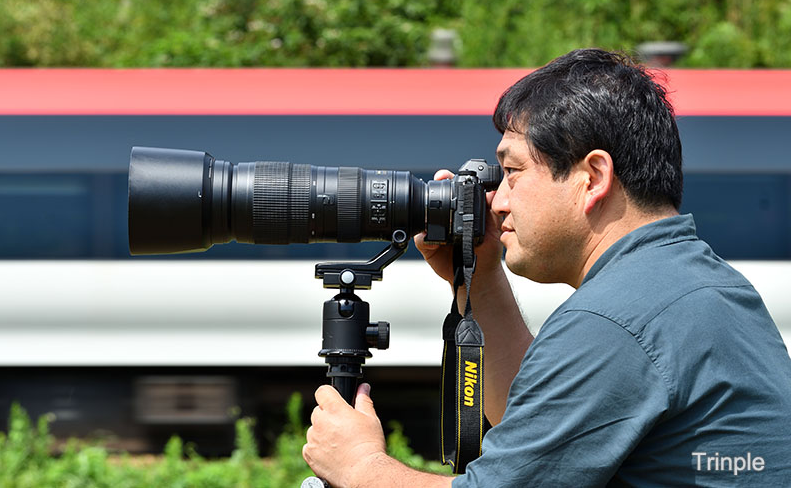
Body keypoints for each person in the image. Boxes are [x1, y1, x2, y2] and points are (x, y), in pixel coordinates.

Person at [302, 49, 791, 487]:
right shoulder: (699, 284)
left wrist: (361, 466)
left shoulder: (616, 321)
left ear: (592, 177)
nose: (498, 203)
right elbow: (543, 433)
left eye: (512, 173)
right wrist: (481, 276)